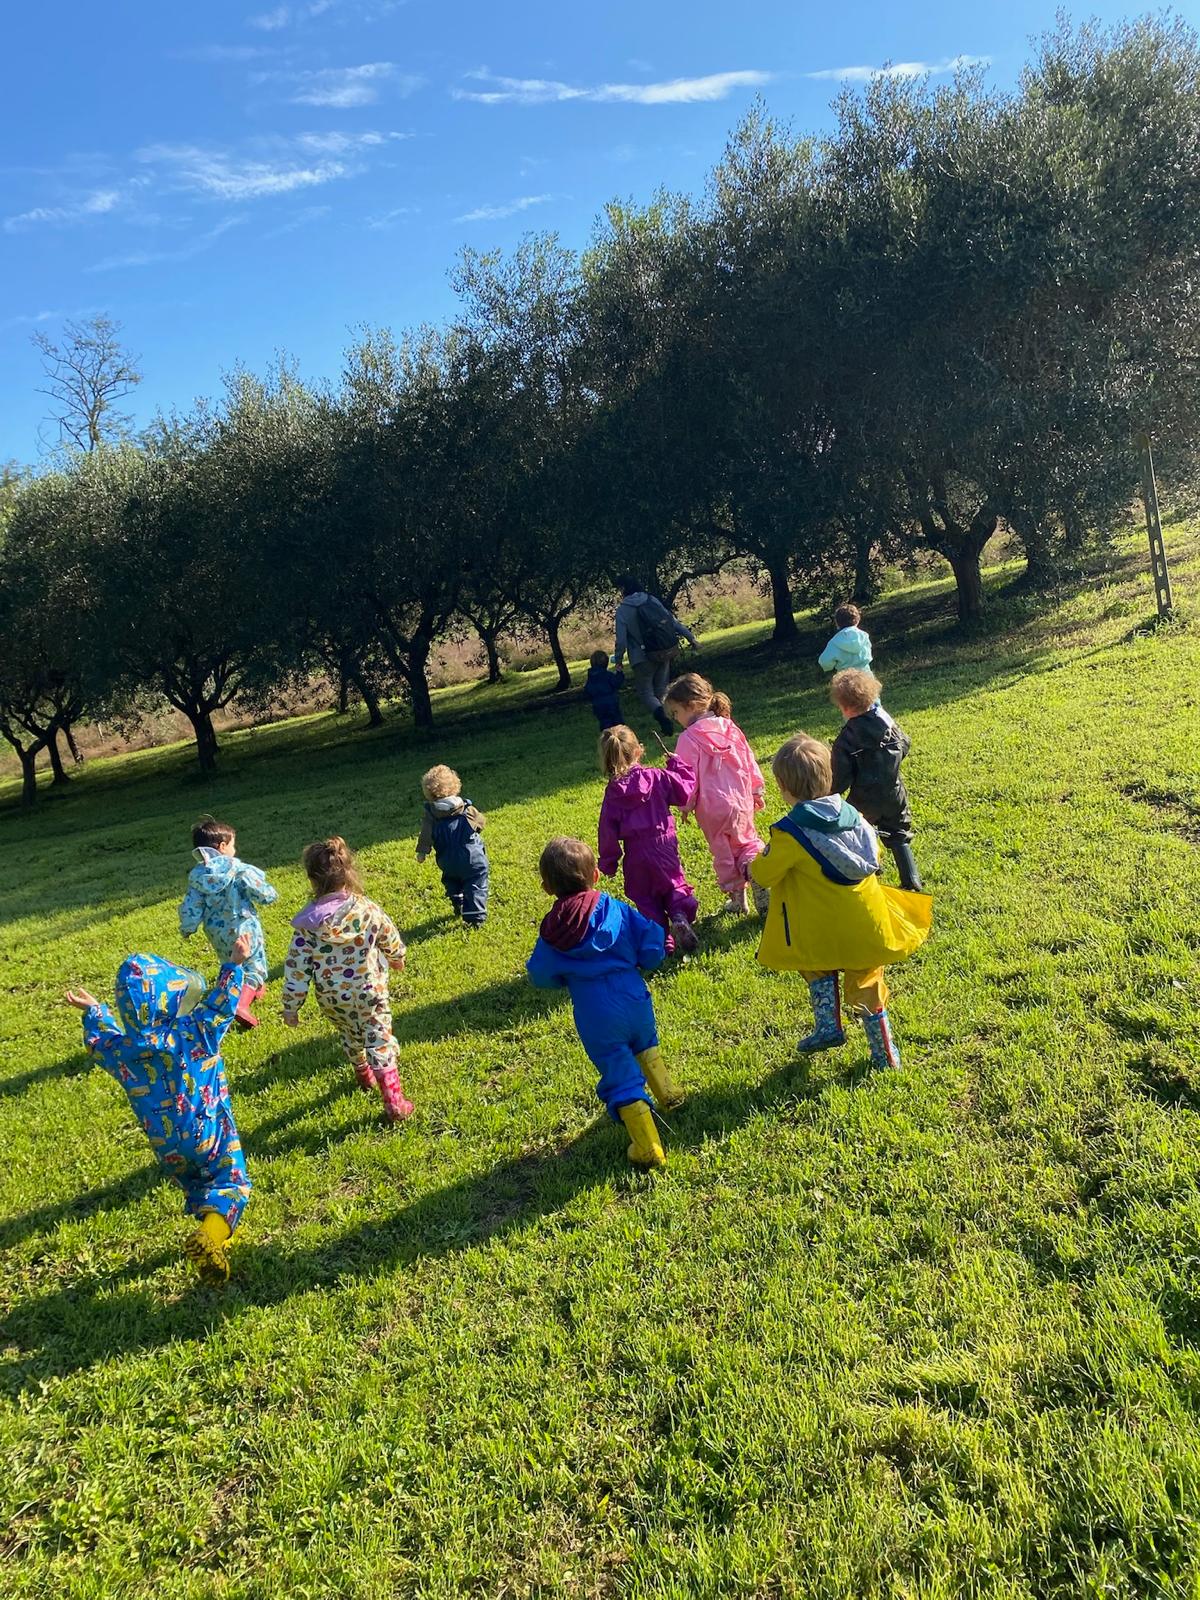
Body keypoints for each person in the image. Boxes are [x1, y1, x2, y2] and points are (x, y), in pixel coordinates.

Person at [64, 932, 254, 1283]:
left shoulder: (124, 1050)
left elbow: (99, 1042)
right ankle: (211, 1236)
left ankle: (214, 1231)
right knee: (231, 1181)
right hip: (206, 1130)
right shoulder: (194, 1031)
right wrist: (234, 964)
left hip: (166, 1146)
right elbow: (221, 1004)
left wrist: (94, 1011)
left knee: (198, 1182)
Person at [751, 733, 931, 1070]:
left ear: (783, 787)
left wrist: (757, 860)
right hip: (867, 924)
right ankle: (885, 1054)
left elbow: (765, 874)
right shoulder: (856, 817)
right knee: (868, 982)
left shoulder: (789, 833)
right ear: (830, 775)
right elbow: (875, 855)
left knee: (813, 964)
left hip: (820, 932)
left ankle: (828, 1025)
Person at [526, 836, 684, 1169]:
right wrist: (654, 955)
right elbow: (650, 940)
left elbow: (539, 974)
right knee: (645, 1044)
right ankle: (669, 1093)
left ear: (546, 887)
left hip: (596, 1012)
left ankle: (648, 1146)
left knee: (618, 1070)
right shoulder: (616, 909)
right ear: (596, 875)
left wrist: (564, 977)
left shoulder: (554, 930)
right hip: (635, 997)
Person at [282, 837, 413, 1124]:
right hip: (370, 992)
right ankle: (394, 1102)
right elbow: (389, 935)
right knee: (379, 1039)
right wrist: (397, 957)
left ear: (311, 879)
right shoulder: (367, 909)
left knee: (350, 1034)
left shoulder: (308, 925)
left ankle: (363, 1075)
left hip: (333, 999)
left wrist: (291, 1006)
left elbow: (296, 969)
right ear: (349, 872)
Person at [664, 673, 768, 916]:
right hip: (741, 801)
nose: (676, 719)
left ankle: (738, 899)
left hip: (712, 809)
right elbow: (749, 760)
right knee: (747, 842)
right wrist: (756, 789)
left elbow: (687, 779)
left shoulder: (688, 739)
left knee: (723, 852)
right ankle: (757, 870)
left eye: (676, 712)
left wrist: (685, 805)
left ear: (690, 705)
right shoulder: (730, 727)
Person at [597, 724, 699, 954]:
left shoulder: (613, 793)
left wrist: (609, 862)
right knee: (673, 884)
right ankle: (679, 915)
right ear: (638, 751)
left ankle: (662, 941)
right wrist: (677, 764)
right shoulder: (656, 776)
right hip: (664, 846)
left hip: (636, 854)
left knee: (645, 898)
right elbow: (684, 790)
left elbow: (607, 831)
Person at [179, 816, 278, 1029]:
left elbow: (191, 905)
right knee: (254, 966)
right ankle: (241, 1004)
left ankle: (247, 990)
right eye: (233, 844)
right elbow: (260, 891)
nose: (235, 849)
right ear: (222, 847)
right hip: (243, 926)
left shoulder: (198, 876)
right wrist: (270, 895)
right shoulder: (237, 869)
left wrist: (188, 927)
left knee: (232, 963)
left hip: (217, 933)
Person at [830, 669, 922, 892]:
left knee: (860, 831)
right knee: (899, 834)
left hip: (863, 798)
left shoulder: (847, 738)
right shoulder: (887, 723)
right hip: (894, 792)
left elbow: (841, 776)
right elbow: (905, 744)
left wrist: (831, 792)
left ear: (844, 707)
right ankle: (911, 880)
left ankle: (871, 870)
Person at [613, 575, 699, 737]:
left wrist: (618, 660)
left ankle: (663, 719)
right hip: (663, 650)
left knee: (646, 692)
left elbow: (621, 641)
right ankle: (671, 722)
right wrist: (690, 637)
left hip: (642, 657)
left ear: (623, 589)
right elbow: (671, 622)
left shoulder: (623, 610)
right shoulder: (651, 600)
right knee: (661, 690)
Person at [415, 765, 489, 928]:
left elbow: (425, 836)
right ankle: (475, 917)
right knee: (475, 882)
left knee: (452, 878)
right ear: (455, 786)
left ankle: (457, 899)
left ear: (429, 792)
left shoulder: (431, 815)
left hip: (447, 860)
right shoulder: (466, 809)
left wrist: (422, 853)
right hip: (472, 858)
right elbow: (481, 823)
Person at [818, 603, 873, 674]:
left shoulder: (834, 641)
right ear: (857, 620)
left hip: (845, 677)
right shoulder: (864, 636)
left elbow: (825, 662)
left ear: (837, 623)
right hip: (866, 675)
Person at [582, 649, 626, 732]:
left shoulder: (591, 678)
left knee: (605, 723)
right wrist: (619, 673)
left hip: (598, 705)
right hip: (611, 703)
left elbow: (587, 691)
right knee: (617, 722)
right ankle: (620, 734)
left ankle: (607, 735)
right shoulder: (608, 675)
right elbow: (617, 682)